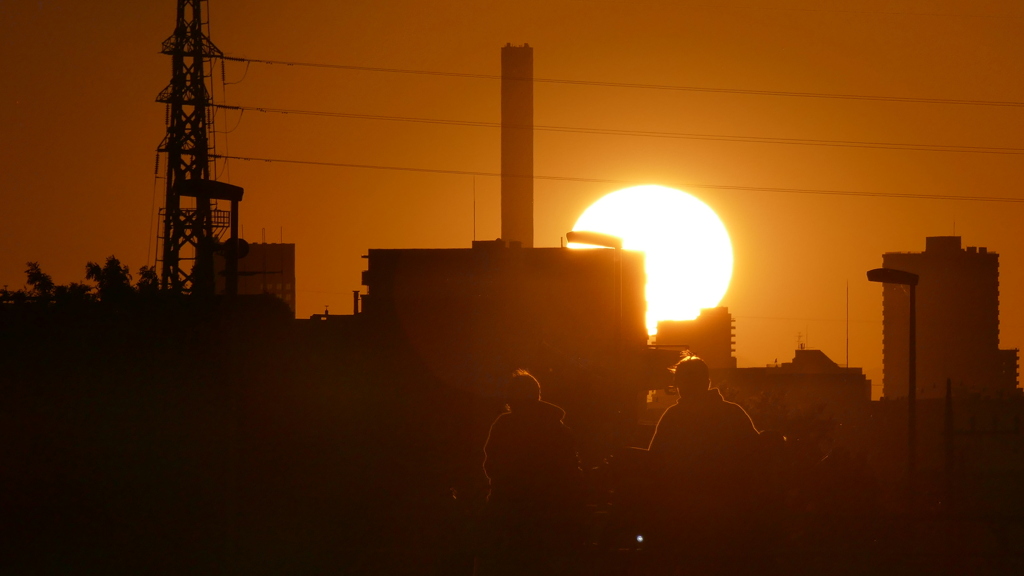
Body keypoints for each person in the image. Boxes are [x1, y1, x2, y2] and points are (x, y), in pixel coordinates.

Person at [644, 356, 762, 574]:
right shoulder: (733, 414)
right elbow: (757, 457)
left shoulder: (674, 417)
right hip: (729, 517)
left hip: (686, 517)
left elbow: (655, 463)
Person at [478, 369, 585, 575]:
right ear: (537, 395)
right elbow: (571, 473)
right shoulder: (559, 429)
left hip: (509, 512)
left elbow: (492, 465)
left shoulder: (505, 426)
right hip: (550, 516)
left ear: (511, 397)